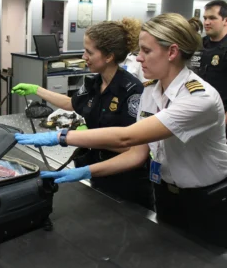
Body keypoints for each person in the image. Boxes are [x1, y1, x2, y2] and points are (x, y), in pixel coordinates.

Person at [15, 13, 227, 247]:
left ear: (172, 52)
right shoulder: (151, 92)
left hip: (204, 200)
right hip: (165, 194)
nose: (138, 59)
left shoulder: (199, 98)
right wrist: (86, 171)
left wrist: (60, 137)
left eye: (146, 51)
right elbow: (137, 153)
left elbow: (126, 137)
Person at [12, 18, 154, 210]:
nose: (83, 56)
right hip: (97, 171)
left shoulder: (132, 91)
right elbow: (72, 103)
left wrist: (76, 138)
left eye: (89, 52)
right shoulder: (94, 83)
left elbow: (130, 148)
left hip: (125, 182)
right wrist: (36, 89)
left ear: (109, 56)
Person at [199, 0, 227, 126]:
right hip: (196, 112)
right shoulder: (198, 45)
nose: (206, 22)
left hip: (220, 117)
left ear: (225, 20)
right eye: (205, 18)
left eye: (212, 18)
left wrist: (223, 122)